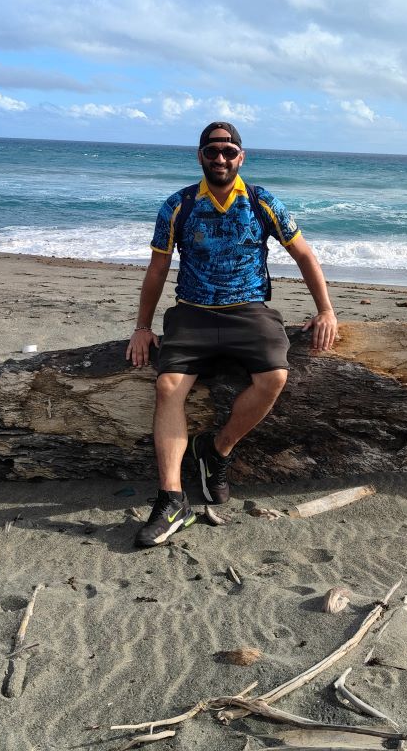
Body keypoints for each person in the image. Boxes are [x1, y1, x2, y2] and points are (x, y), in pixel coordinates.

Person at [125, 121, 338, 547]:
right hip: (192, 314)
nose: (219, 158)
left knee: (275, 377)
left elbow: (304, 254)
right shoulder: (178, 205)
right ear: (200, 155)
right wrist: (142, 327)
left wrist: (326, 310)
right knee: (167, 386)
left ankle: (217, 450)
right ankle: (171, 499)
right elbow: (157, 269)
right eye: (211, 151)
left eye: (228, 151)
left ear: (241, 157)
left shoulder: (262, 201)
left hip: (250, 311)